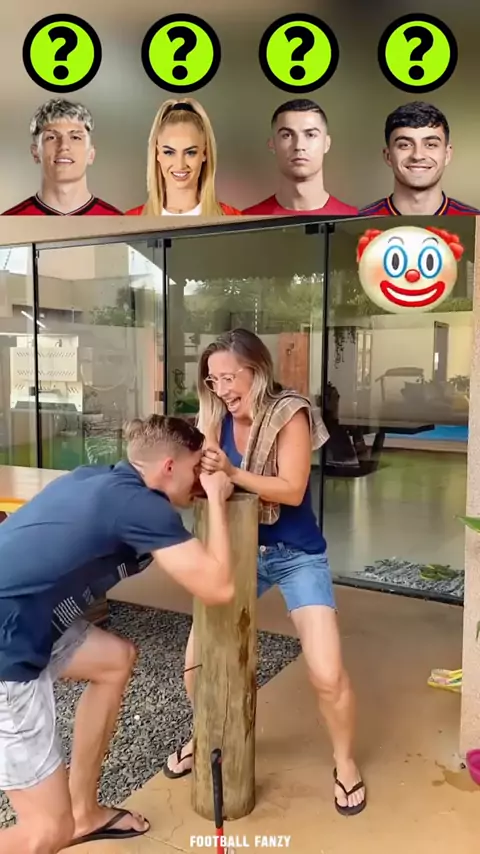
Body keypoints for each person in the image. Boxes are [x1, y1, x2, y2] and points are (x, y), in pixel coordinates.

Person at [0, 415, 234, 853]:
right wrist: (218, 501)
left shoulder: (97, 479)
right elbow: (218, 588)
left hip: (25, 617)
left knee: (113, 659)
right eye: (195, 469)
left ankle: (85, 811)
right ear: (168, 467)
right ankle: (69, 820)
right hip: (8, 646)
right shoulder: (140, 506)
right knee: (47, 830)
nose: (199, 480)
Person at [164, 329, 367, 817]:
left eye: (229, 377)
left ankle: (345, 762)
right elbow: (201, 484)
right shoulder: (212, 417)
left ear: (257, 370)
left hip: (295, 553)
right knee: (197, 665)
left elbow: (292, 489)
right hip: (235, 551)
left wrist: (231, 474)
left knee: (327, 672)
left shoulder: (290, 412)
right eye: (212, 380)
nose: (221, 389)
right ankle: (206, 734)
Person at [2, 98, 122, 216]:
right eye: (51, 137)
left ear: (91, 154)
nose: (64, 146)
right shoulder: (7, 223)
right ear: (35, 152)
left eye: (75, 137)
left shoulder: (118, 222)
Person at [359, 101, 480, 216]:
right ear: (388, 156)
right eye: (405, 145)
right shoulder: (359, 220)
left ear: (447, 154)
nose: (417, 156)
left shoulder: (475, 219)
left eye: (430, 145)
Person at [242, 99, 358, 217]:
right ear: (272, 144)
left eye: (310, 135)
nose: (299, 146)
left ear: (327, 143)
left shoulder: (355, 219)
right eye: (287, 135)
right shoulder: (246, 220)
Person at [126, 98, 241, 217]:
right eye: (169, 152)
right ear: (157, 154)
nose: (180, 165)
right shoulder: (131, 220)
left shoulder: (232, 218)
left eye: (190, 152)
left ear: (205, 153)